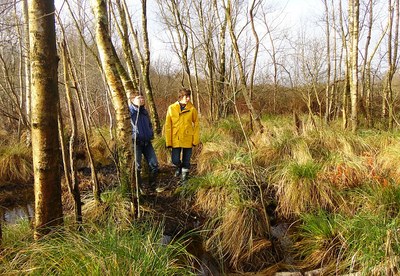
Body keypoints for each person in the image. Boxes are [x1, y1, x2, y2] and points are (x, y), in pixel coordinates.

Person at [164, 88, 199, 184]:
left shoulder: (192, 109)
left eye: (189, 96)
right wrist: (168, 141)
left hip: (188, 138)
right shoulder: (172, 108)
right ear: (180, 97)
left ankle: (184, 180)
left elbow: (196, 124)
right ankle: (179, 167)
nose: (188, 99)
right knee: (175, 160)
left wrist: (195, 139)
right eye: (186, 96)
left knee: (186, 160)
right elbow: (168, 125)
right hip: (176, 138)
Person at [128, 91, 159, 192]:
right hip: (136, 143)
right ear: (132, 100)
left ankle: (153, 186)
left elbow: (149, 124)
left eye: (142, 98)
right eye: (139, 98)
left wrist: (150, 133)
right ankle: (138, 189)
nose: (142, 100)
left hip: (147, 142)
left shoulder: (144, 112)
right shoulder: (129, 112)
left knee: (154, 164)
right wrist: (133, 136)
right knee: (137, 167)